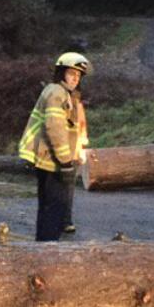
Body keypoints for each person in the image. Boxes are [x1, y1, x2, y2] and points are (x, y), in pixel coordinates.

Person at [18, 52, 91, 241]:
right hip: (53, 162)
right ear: (61, 74)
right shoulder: (57, 93)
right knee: (53, 211)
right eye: (71, 74)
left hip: (50, 160)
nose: (75, 79)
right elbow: (55, 128)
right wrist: (66, 161)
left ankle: (43, 248)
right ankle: (47, 251)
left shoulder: (62, 93)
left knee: (48, 209)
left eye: (78, 76)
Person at [63, 87, 89, 234]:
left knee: (62, 188)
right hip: (69, 153)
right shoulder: (77, 106)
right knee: (67, 189)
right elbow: (82, 130)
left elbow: (82, 129)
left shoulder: (59, 103)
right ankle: (66, 221)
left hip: (63, 153)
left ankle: (63, 220)